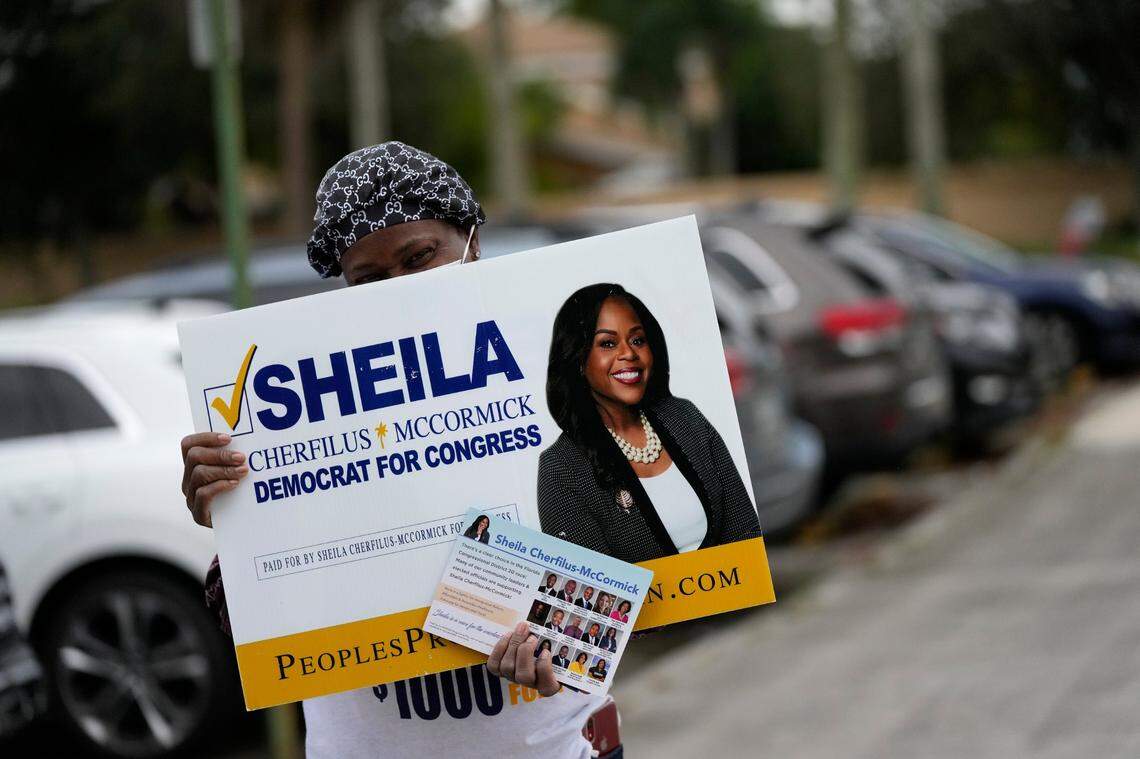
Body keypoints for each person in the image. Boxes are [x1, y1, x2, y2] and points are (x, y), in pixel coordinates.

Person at [180, 142, 609, 759]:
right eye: (371, 279)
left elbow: (639, 559)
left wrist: (565, 636)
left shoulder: (557, 376)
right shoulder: (307, 418)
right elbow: (250, 622)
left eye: (420, 257)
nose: (401, 290)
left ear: (472, 243)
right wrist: (237, 525)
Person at [537, 283, 762, 562]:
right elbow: (592, 590)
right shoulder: (561, 468)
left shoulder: (685, 418)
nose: (629, 354)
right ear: (579, 359)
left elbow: (745, 532)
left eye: (638, 340)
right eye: (607, 343)